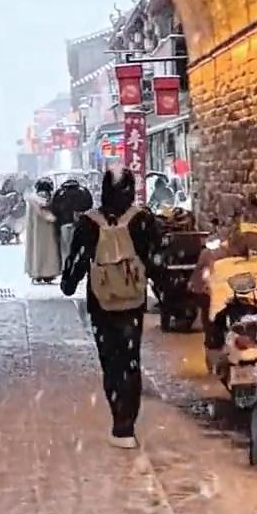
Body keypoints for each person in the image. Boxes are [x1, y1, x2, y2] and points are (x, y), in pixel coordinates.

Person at [61, 168, 160, 448]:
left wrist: (69, 282)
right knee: (131, 360)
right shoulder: (142, 219)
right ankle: (127, 424)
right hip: (132, 303)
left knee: (111, 362)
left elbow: (77, 260)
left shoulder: (89, 222)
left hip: (100, 301)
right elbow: (155, 258)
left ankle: (118, 420)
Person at [24, 178, 61, 283]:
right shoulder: (49, 198)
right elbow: (50, 213)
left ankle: (36, 272)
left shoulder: (32, 199)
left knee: (36, 250)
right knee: (49, 251)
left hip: (35, 230)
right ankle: (48, 273)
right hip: (48, 229)